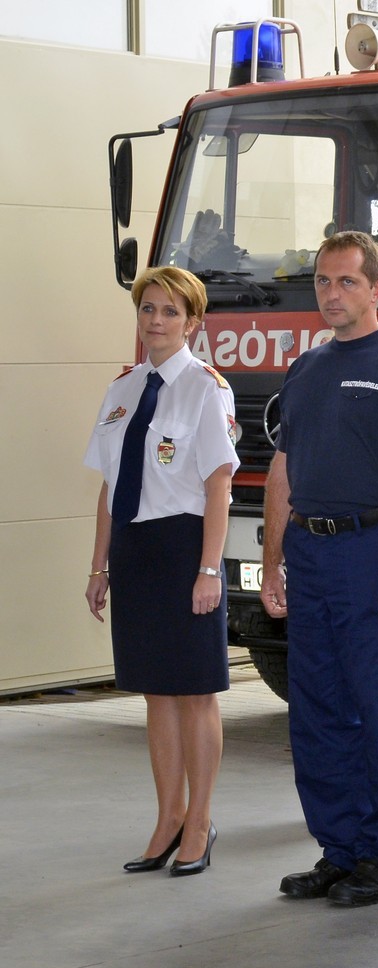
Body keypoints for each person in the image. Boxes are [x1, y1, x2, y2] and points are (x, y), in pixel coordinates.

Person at [260, 231, 378, 908]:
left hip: (373, 553)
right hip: (311, 554)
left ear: (377, 289)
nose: (332, 294)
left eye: (347, 281)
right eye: (322, 281)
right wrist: (272, 562)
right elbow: (284, 470)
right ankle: (338, 850)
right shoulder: (306, 370)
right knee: (317, 710)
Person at [85, 266, 238, 877]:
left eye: (171, 311)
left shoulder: (206, 389)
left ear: (193, 322)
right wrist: (99, 565)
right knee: (156, 691)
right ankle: (168, 817)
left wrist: (209, 569)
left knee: (195, 691)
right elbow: (109, 486)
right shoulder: (123, 389)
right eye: (148, 308)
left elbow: (219, 487)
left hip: (184, 547)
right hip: (134, 550)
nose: (156, 321)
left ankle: (200, 821)